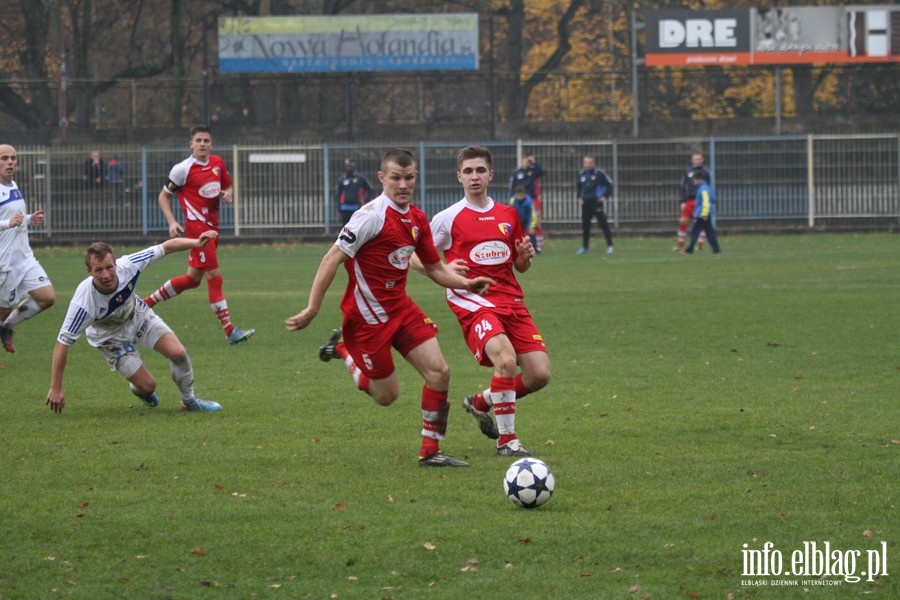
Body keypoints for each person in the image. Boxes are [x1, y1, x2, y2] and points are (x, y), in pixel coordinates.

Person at [283, 148, 495, 468]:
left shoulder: (417, 218)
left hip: (401, 308)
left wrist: (466, 284)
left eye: (408, 178)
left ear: (415, 178)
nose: (402, 185)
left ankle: (430, 451)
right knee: (386, 396)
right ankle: (342, 348)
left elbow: (434, 268)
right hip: (367, 319)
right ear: (382, 178)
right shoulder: (370, 217)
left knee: (439, 372)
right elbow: (332, 258)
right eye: (395, 178)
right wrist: (313, 307)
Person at [423, 145, 551, 457]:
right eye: (468, 171)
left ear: (491, 175)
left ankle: (482, 401)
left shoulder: (508, 214)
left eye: (480, 170)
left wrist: (524, 259)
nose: (474, 176)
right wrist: (441, 268)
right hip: (471, 299)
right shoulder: (447, 218)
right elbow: (414, 254)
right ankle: (507, 441)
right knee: (505, 360)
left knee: (539, 375)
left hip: (511, 299)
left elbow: (518, 265)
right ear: (459, 177)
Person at [46, 232, 223, 414]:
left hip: (137, 315)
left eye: (109, 267)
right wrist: (56, 388)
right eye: (98, 270)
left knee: (178, 353)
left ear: (116, 264)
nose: (106, 275)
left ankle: (189, 401)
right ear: (89, 272)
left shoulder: (128, 265)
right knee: (148, 387)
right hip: (110, 337)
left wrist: (196, 242)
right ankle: (139, 388)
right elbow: (63, 342)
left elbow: (166, 247)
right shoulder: (83, 302)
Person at [144, 125, 254, 345]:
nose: (202, 144)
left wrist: (227, 194)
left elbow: (228, 187)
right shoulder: (182, 169)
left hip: (213, 229)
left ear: (211, 144)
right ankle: (230, 331)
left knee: (192, 280)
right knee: (215, 277)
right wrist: (172, 222)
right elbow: (162, 197)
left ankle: (145, 304)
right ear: (190, 143)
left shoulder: (218, 164)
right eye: (198, 140)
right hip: (198, 231)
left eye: (206, 140)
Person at [0, 144, 56, 354]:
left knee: (47, 297)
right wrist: (7, 224)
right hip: (5, 264)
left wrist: (29, 218)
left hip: (24, 258)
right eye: (4, 158)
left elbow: (12, 216)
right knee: (3, 310)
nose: (10, 163)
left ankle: (7, 327)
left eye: (13, 158)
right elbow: (6, 221)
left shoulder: (12, 184)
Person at [576, 155, 614, 255]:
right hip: (586, 204)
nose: (587, 165)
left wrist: (605, 196)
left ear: (593, 163)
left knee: (603, 224)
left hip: (596, 203)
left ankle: (610, 246)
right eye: (586, 163)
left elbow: (610, 184)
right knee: (585, 226)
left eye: (589, 163)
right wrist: (579, 197)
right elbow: (579, 187)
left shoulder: (599, 173)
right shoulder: (582, 173)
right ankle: (584, 247)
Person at [508, 154, 545, 252]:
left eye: (528, 160)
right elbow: (512, 187)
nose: (526, 161)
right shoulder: (516, 172)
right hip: (519, 200)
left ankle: (537, 246)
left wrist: (534, 163)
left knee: (536, 222)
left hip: (532, 200)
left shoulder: (533, 171)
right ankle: (518, 246)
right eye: (525, 159)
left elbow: (542, 172)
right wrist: (513, 200)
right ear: (521, 160)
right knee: (518, 224)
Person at [680, 170, 721, 255]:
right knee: (710, 233)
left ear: (699, 179)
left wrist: (705, 213)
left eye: (694, 180)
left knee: (695, 231)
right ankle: (716, 249)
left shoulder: (703, 189)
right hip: (705, 213)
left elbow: (706, 202)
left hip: (702, 214)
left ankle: (689, 249)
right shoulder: (707, 188)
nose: (694, 182)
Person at [676, 152, 709, 251]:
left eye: (699, 159)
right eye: (695, 159)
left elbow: (708, 188)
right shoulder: (687, 171)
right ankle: (680, 245)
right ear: (692, 160)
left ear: (702, 160)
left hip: (700, 201)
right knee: (683, 221)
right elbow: (682, 186)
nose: (697, 161)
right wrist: (682, 201)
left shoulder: (705, 172)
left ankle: (699, 245)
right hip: (689, 201)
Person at [334, 159, 373, 225]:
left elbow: (370, 191)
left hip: (357, 208)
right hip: (344, 209)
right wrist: (339, 208)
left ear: (354, 166)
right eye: (347, 165)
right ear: (345, 166)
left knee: (356, 228)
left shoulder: (360, 179)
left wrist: (366, 203)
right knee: (346, 229)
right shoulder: (341, 180)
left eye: (350, 165)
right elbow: (337, 194)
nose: (349, 167)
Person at [509, 184, 538, 251]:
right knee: (516, 236)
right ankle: (516, 248)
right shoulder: (513, 200)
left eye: (521, 195)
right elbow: (510, 212)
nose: (519, 197)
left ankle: (534, 249)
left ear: (524, 194)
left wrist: (531, 226)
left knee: (530, 234)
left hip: (527, 221)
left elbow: (532, 215)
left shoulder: (529, 202)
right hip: (517, 221)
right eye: (518, 195)